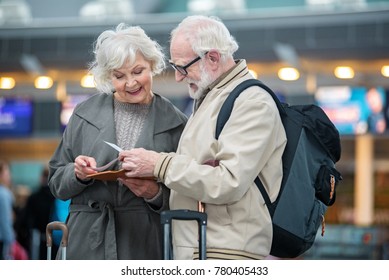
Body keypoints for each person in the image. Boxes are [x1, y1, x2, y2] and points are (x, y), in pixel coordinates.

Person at [119, 15, 287, 260]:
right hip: (204, 247)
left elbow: (227, 182)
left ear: (213, 57)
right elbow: (199, 178)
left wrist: (159, 164)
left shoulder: (252, 102)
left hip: (225, 253)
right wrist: (154, 189)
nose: (178, 77)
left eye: (183, 67)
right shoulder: (213, 97)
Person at [48, 23, 187, 260]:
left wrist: (155, 193)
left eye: (138, 71)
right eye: (119, 76)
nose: (131, 83)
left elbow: (188, 193)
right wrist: (78, 173)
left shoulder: (176, 122)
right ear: (107, 76)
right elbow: (56, 182)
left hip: (142, 241)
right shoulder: (83, 114)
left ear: (152, 65)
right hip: (87, 241)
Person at [16, 166, 56, 259]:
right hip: (55, 237)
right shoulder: (57, 197)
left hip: (37, 237)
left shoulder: (34, 197)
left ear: (41, 178)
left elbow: (25, 219)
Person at [0, 160, 15, 260]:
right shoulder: (4, 194)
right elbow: (5, 220)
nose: (9, 176)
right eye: (7, 173)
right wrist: (11, 241)